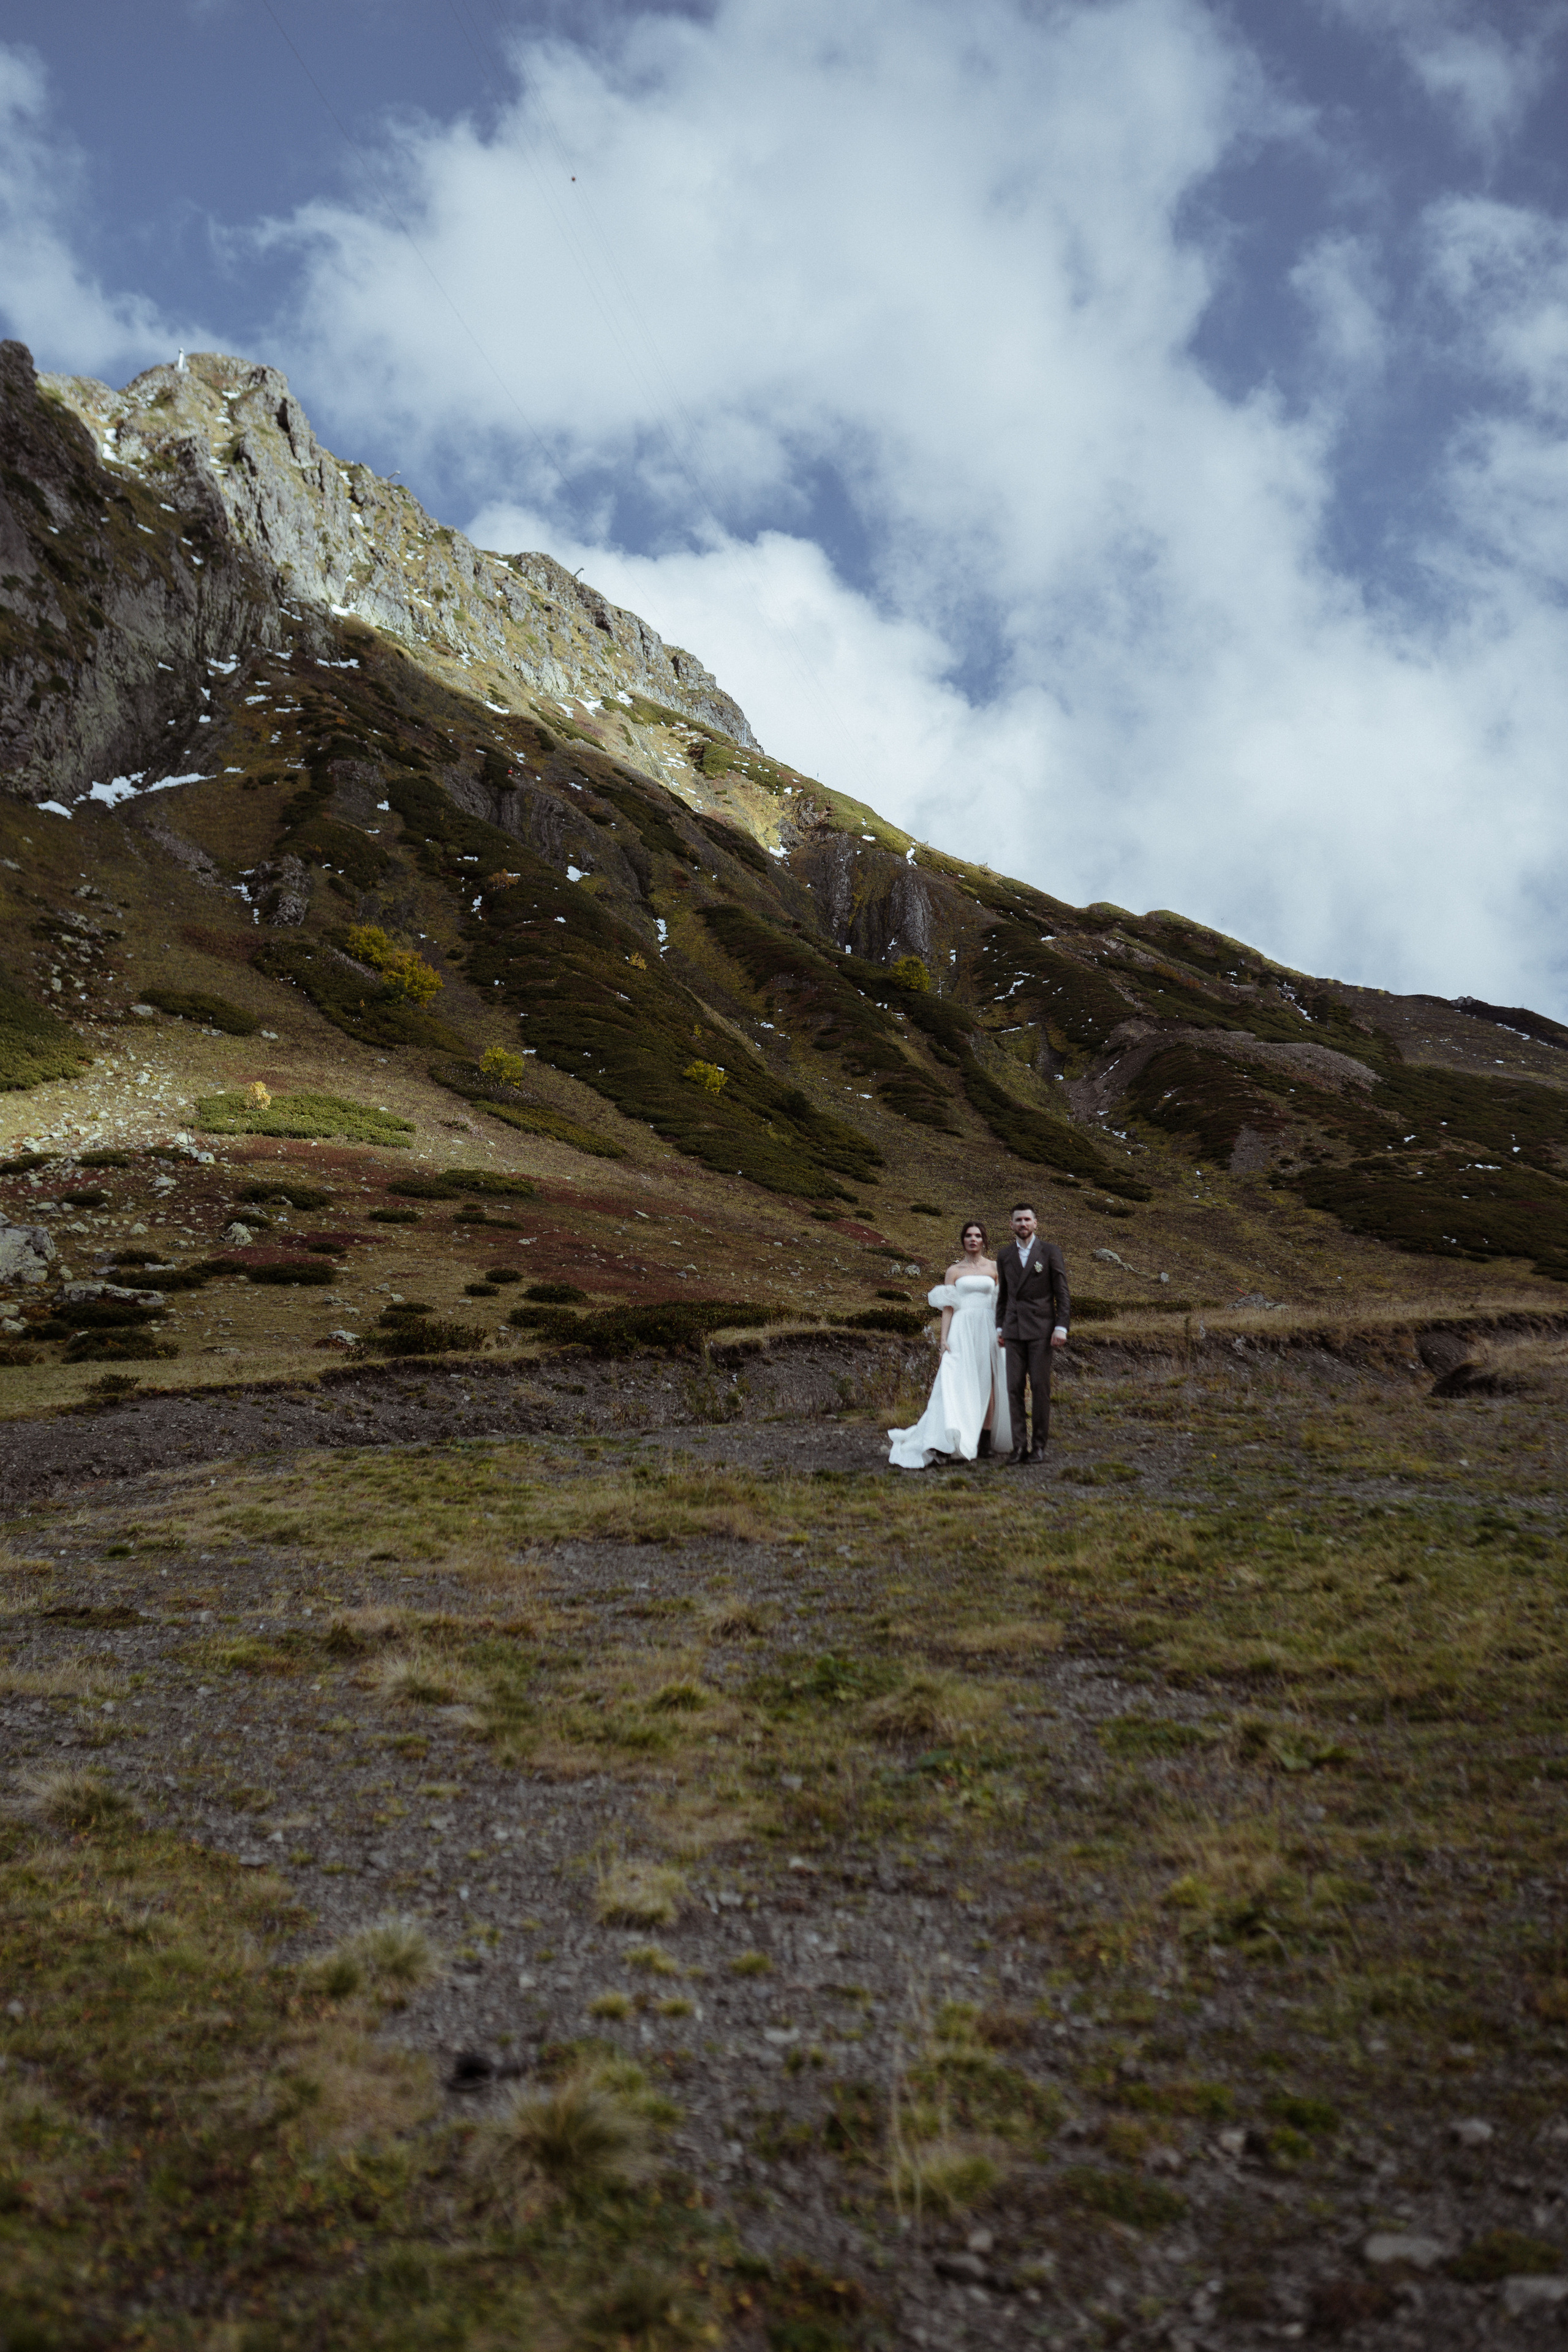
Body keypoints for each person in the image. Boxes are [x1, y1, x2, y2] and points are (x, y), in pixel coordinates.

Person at [887, 1219, 1012, 1470]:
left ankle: (984, 1439)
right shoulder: (954, 1271)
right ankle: (945, 1436)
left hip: (987, 1326)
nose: (973, 1240)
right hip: (961, 1328)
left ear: (984, 1240)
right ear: (963, 1240)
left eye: (978, 1236)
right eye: (969, 1236)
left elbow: (1001, 1303)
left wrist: (1003, 1329)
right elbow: (948, 1307)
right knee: (953, 1378)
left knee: (987, 1379)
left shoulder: (995, 1268)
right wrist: (943, 1338)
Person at [994, 1200, 1069, 1466]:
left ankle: (1038, 1446)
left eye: (1027, 1220)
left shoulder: (1049, 1252)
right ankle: (1018, 1447)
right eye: (1018, 1220)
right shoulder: (1004, 1256)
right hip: (1013, 1331)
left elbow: (1062, 1293)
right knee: (1013, 1388)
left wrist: (1061, 1326)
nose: (1023, 1224)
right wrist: (1000, 1327)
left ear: (1036, 1223)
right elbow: (1003, 1296)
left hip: (1041, 1331)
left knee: (1039, 1388)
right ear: (1011, 1225)